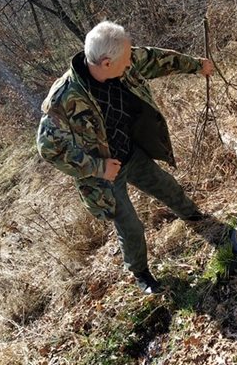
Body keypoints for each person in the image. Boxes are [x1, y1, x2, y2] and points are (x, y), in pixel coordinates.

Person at [36, 20, 214, 294]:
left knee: (167, 186)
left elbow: (156, 59)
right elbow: (49, 148)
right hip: (104, 175)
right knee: (130, 226)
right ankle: (141, 274)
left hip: (132, 153)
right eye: (127, 57)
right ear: (106, 63)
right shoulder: (64, 99)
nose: (131, 60)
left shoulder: (123, 60)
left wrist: (196, 66)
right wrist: (97, 167)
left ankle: (196, 219)